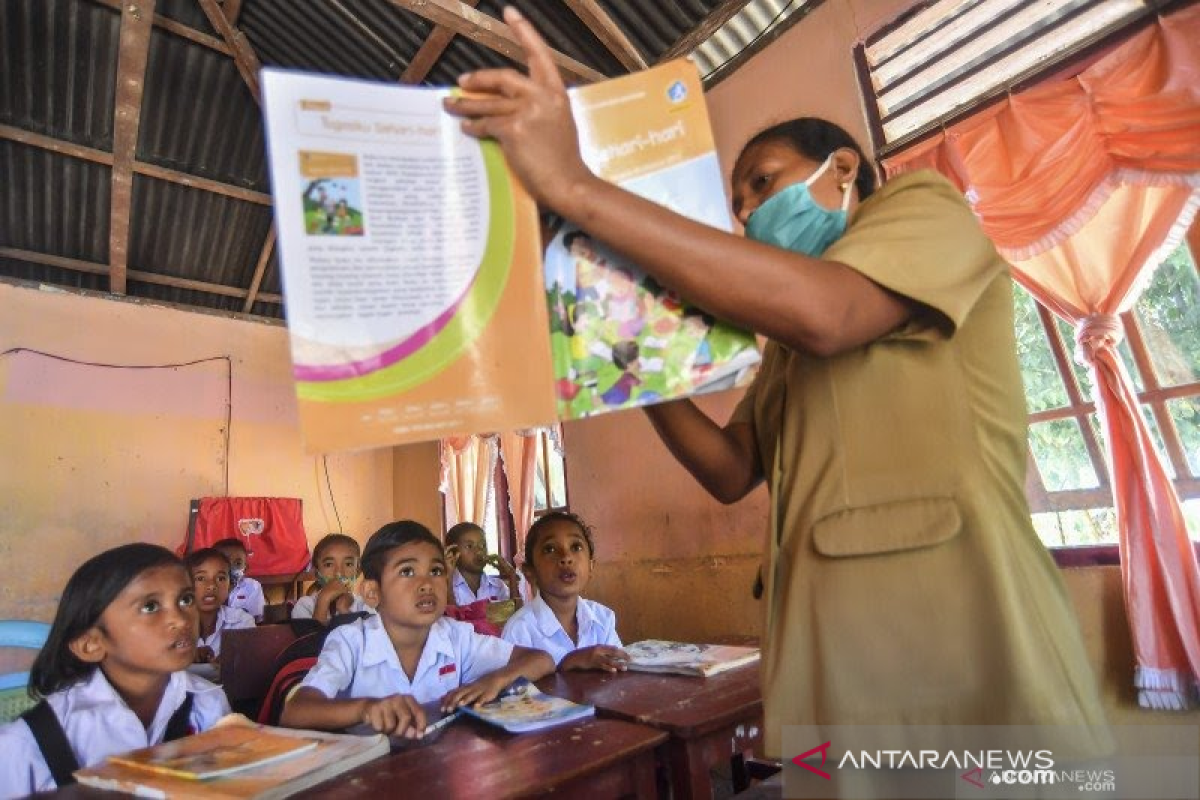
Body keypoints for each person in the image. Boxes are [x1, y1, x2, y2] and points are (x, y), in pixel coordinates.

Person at [445, 7, 1111, 759]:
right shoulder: (788, 350)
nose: (751, 212)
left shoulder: (924, 211)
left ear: (845, 168)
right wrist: (630, 358)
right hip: (831, 640)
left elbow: (826, 312)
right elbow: (730, 472)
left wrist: (577, 188)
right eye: (739, 206)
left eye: (763, 184)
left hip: (957, 620)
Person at [279, 521, 555, 738]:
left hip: (437, 763)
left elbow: (541, 660)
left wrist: (495, 680)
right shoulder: (351, 640)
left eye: (436, 571)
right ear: (372, 593)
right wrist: (365, 709)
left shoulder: (455, 636)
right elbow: (296, 712)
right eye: (407, 572)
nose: (426, 583)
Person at [0, 544, 230, 795]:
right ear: (91, 645)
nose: (180, 619)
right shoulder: (28, 743)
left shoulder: (207, 704)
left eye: (185, 599)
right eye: (150, 606)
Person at [502, 512, 627, 672]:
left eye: (576, 547)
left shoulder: (603, 619)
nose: (566, 557)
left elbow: (619, 673)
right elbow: (512, 692)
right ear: (530, 572)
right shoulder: (520, 629)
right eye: (550, 549)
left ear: (590, 566)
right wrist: (566, 665)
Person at [184, 548, 255, 664]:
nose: (211, 586)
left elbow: (248, 665)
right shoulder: (173, 624)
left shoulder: (242, 622)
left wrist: (231, 662)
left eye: (220, 578)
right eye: (200, 578)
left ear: (230, 585)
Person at [292, 533, 373, 624]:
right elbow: (314, 637)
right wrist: (323, 600)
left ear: (357, 572)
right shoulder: (304, 605)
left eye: (348, 564)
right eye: (329, 565)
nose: (339, 573)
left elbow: (368, 636)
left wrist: (344, 611)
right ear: (317, 573)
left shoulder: (365, 606)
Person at [445, 522, 521, 605]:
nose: (479, 551)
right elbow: (449, 616)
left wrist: (512, 575)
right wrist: (449, 579)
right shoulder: (446, 586)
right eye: (469, 546)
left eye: (483, 545)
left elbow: (518, 615)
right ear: (452, 553)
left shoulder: (497, 586)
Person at [212, 537, 265, 623]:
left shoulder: (253, 587)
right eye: (224, 562)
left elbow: (257, 619)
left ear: (246, 568)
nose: (230, 567)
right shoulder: (207, 587)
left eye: (238, 563)